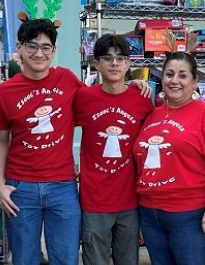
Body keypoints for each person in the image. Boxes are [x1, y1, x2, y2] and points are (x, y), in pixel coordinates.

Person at [133, 51, 205, 265]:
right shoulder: (153, 115)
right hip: (151, 213)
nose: (175, 81)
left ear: (194, 81)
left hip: (191, 214)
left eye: (182, 75)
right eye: (169, 74)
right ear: (161, 79)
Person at [0, 18, 84, 265]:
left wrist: (131, 85)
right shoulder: (4, 91)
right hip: (20, 187)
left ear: (53, 51)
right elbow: (1, 140)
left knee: (66, 258)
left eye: (45, 47)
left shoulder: (66, 79)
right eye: (31, 46)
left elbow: (99, 99)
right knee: (24, 259)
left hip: (62, 185)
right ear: (19, 48)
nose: (38, 53)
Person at [74, 34, 153, 265]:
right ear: (96, 64)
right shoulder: (83, 97)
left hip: (130, 199)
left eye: (121, 58)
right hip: (94, 200)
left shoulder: (142, 98)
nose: (115, 63)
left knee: (128, 260)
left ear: (129, 63)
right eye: (107, 58)